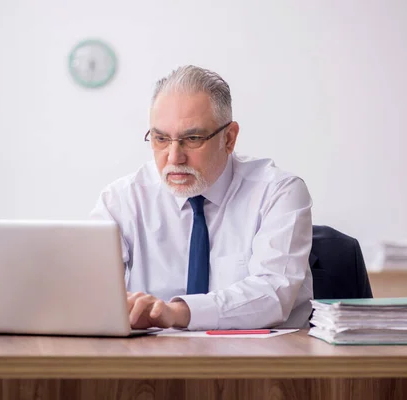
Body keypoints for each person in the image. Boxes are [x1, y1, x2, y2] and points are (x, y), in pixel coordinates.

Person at [91, 65, 313, 330]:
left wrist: (176, 313)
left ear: (229, 138)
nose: (174, 157)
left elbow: (273, 294)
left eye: (192, 138)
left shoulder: (278, 191)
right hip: (153, 359)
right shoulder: (122, 199)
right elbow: (90, 289)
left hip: (264, 362)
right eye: (161, 139)